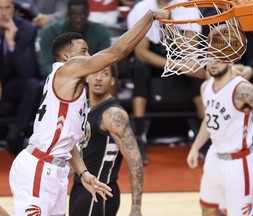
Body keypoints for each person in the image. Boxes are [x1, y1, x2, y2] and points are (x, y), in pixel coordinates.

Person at [9, 8, 170, 215]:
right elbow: (116, 53)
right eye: (84, 51)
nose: (89, 56)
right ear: (67, 56)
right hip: (40, 167)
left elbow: (67, 141)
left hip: (54, 171)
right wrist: (150, 17)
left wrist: (83, 172)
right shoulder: (68, 68)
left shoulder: (73, 90)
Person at [186, 61, 253, 215]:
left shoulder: (243, 90)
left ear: (230, 60)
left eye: (219, 57)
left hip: (240, 164)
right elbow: (210, 120)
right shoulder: (205, 87)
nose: (213, 62)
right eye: (210, 56)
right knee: (207, 209)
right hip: (214, 157)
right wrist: (195, 147)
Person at [127, 0, 204, 165]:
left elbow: (191, 51)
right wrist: (174, 66)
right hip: (154, 61)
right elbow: (141, 53)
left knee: (197, 70)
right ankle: (139, 134)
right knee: (140, 69)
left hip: (180, 57)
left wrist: (172, 28)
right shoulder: (142, 8)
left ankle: (205, 134)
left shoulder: (187, 6)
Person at [69, 65, 143, 216]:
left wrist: (136, 208)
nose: (98, 78)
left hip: (99, 192)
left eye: (105, 74)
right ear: (87, 78)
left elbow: (135, 161)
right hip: (80, 188)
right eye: (95, 72)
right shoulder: (83, 108)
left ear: (112, 81)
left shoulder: (113, 114)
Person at [0, 0, 42, 155]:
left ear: (14, 9)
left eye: (7, 8)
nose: (4, 13)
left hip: (11, 83)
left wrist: (11, 43)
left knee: (33, 85)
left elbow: (27, 70)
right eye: (0, 9)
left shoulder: (26, 29)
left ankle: (16, 132)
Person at [38, 0, 111, 79]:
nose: (78, 20)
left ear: (87, 14)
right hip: (60, 80)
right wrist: (68, 76)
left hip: (92, 78)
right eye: (74, 15)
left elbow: (105, 61)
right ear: (68, 15)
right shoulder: (51, 31)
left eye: (82, 15)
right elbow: (46, 66)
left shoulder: (100, 31)